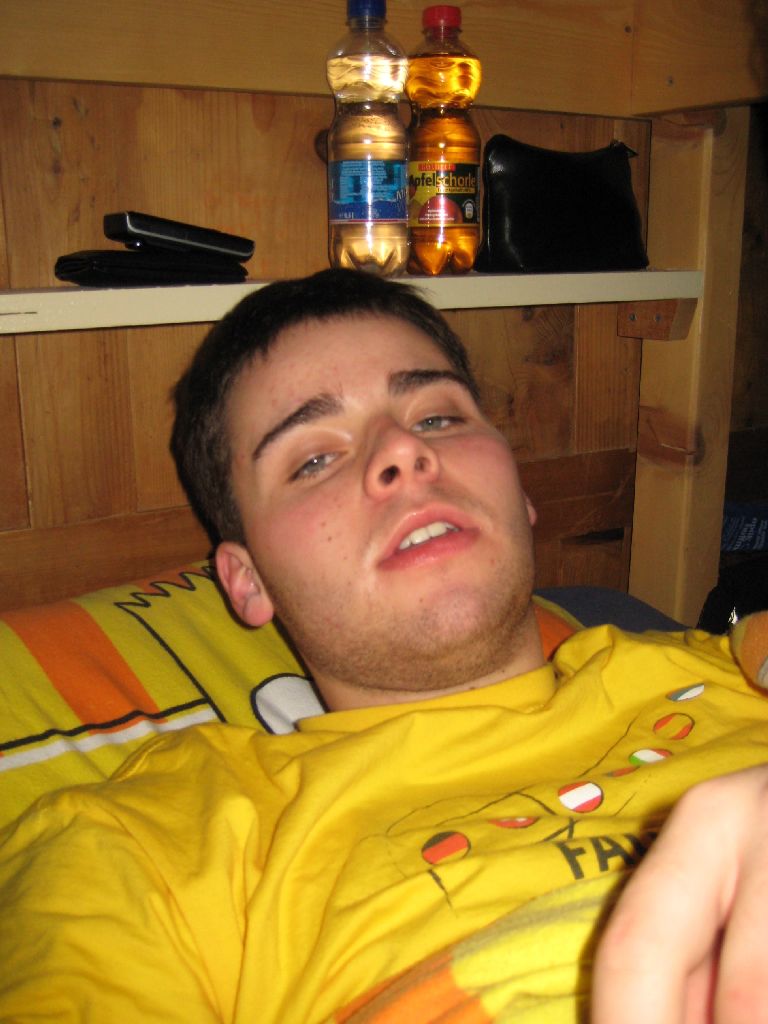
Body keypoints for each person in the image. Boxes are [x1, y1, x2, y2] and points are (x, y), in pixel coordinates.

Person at [0, 268, 766, 1023]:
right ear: (248, 581)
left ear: (520, 494)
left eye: (438, 419)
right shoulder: (158, 837)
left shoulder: (732, 667)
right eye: (313, 459)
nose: (403, 450)